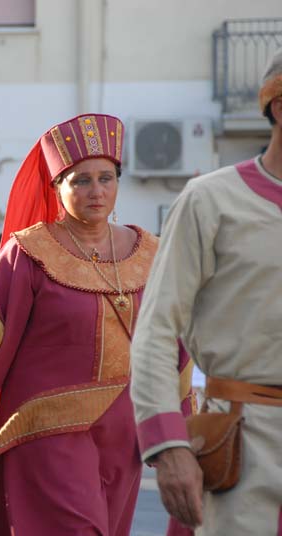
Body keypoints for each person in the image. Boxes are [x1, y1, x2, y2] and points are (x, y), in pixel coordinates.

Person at [0, 114, 195, 535]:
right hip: (47, 430)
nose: (96, 191)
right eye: (80, 180)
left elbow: (173, 334)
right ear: (57, 186)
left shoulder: (151, 251)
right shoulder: (29, 251)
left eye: (106, 178)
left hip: (123, 431)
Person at [129, 48, 282, 535]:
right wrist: (168, 445)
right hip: (245, 447)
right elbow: (155, 329)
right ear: (278, 106)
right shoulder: (210, 201)